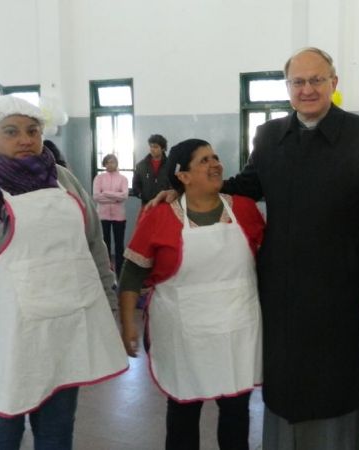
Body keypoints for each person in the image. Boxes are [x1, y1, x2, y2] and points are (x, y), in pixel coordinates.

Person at [0, 95, 128, 449]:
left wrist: (109, 314)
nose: (25, 139)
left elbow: (95, 252)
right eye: (11, 131)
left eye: (33, 130)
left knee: (57, 437)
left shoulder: (65, 182)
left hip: (64, 339)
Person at [221, 47, 359, 449]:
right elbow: (249, 184)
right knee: (284, 378)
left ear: (334, 83)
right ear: (287, 88)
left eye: (317, 80)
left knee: (335, 379)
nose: (307, 89)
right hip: (281, 285)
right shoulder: (269, 135)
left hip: (342, 287)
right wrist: (188, 188)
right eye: (298, 82)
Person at [119, 138, 265, 450]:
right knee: (184, 410)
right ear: (182, 176)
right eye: (204, 160)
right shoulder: (158, 216)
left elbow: (267, 265)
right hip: (182, 334)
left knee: (236, 413)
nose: (216, 164)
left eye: (216, 157)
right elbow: (132, 272)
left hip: (236, 331)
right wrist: (127, 324)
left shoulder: (244, 209)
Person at [93, 153, 129, 274]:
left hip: (119, 217)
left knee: (119, 244)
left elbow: (124, 196)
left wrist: (106, 193)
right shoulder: (99, 178)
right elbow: (96, 197)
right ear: (104, 164)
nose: (110, 164)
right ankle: (106, 269)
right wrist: (115, 197)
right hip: (103, 216)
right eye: (107, 162)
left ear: (117, 163)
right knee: (105, 244)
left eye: (112, 162)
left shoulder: (123, 179)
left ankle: (120, 271)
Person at [132, 133, 170, 207]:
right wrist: (141, 195)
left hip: (165, 205)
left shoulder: (170, 165)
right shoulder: (141, 165)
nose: (152, 149)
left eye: (155, 147)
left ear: (163, 149)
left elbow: (174, 185)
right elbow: (136, 185)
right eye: (151, 146)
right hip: (146, 204)